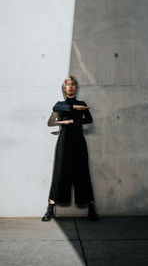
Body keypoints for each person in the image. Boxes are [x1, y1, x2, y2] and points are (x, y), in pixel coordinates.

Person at [42, 75, 99, 221]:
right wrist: (73, 107)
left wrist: (71, 120)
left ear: (76, 87)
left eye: (73, 84)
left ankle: (91, 208)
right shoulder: (60, 104)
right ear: (64, 87)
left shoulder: (82, 103)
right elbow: (55, 108)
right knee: (60, 171)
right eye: (68, 84)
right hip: (64, 141)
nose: (71, 86)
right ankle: (50, 209)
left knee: (82, 172)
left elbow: (89, 120)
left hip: (79, 140)